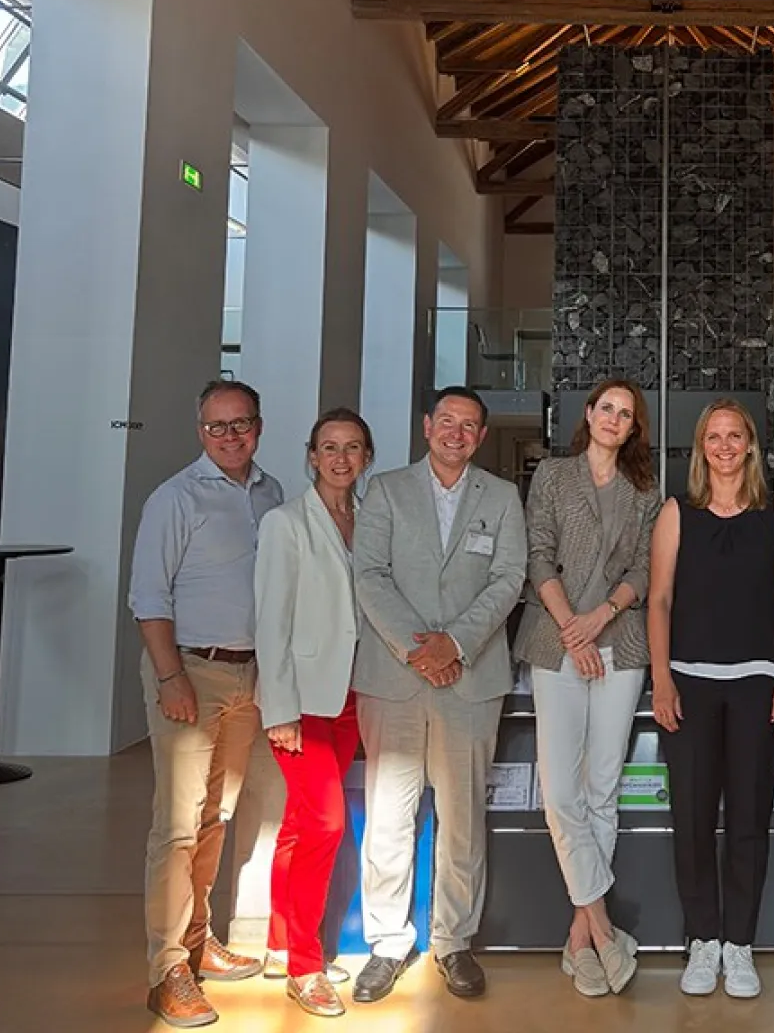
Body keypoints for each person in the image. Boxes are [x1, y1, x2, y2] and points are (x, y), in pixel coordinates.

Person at [349, 386, 527, 1005]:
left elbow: (509, 578)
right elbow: (368, 573)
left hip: (470, 680)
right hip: (394, 680)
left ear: (480, 437)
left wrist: (455, 644)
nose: (456, 432)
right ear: (427, 426)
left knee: (461, 818)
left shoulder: (502, 498)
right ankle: (387, 943)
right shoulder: (386, 490)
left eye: (469, 425)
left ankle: (454, 941)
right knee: (390, 818)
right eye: (446, 421)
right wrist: (416, 649)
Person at [128, 379, 284, 1029]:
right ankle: (167, 971)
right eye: (217, 427)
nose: (230, 436)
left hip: (248, 680)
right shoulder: (175, 498)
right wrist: (171, 678)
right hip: (190, 671)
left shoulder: (272, 494)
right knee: (178, 826)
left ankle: (198, 943)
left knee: (217, 818)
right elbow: (148, 596)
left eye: (240, 424)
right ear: (201, 432)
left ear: (258, 425)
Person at [648, 399, 774, 1000]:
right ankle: (702, 940)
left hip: (758, 683)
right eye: (714, 436)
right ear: (701, 446)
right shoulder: (675, 513)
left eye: (735, 435)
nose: (724, 445)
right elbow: (658, 600)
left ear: (750, 446)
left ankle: (739, 943)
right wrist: (662, 677)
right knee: (690, 819)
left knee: (747, 818)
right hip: (688, 682)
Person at [512, 381, 661, 997]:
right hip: (554, 641)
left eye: (626, 415)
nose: (614, 420)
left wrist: (599, 620)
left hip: (620, 643)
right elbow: (537, 556)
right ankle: (601, 923)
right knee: (560, 788)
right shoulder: (551, 475)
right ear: (590, 415)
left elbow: (645, 568)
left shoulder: (647, 490)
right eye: (607, 408)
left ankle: (579, 932)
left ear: (633, 429)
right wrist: (574, 631)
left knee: (603, 787)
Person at [254, 408, 374, 1018]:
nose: (341, 458)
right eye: (329, 447)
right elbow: (270, 622)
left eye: (353, 447)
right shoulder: (285, 523)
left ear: (367, 457)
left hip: (351, 695)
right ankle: (305, 964)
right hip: (298, 699)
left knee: (303, 820)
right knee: (327, 821)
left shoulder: (369, 520)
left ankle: (278, 939)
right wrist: (278, 707)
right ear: (311, 456)